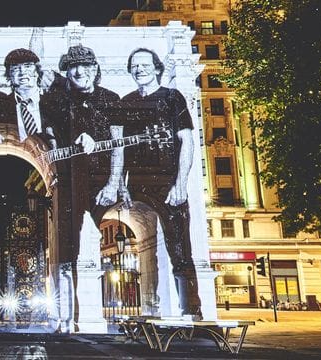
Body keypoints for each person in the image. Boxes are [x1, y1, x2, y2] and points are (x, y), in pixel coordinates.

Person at [119, 47, 201, 319]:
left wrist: (181, 182)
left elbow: (187, 140)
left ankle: (191, 310)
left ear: (156, 68)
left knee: (180, 245)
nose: (140, 69)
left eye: (145, 65)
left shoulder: (172, 96)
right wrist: (120, 183)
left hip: (167, 181)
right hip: (135, 180)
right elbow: (119, 147)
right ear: (130, 71)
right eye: (135, 66)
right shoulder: (126, 101)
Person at [45, 45, 126, 262]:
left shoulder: (111, 98)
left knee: (86, 237)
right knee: (70, 242)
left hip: (100, 178)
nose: (80, 71)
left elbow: (118, 143)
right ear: (66, 72)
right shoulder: (55, 101)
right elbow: (49, 138)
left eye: (86, 65)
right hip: (68, 179)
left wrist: (112, 183)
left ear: (95, 68)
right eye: (73, 67)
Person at [2, 48, 56, 146]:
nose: (22, 72)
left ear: (37, 72)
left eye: (27, 66)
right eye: (15, 68)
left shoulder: (54, 103)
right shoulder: (2, 107)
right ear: (9, 75)